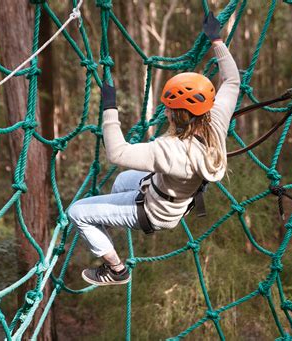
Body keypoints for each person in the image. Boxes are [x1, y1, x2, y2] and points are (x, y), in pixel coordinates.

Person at [68, 12, 240, 286]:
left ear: (175, 115)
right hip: (172, 195)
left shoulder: (172, 149)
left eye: (170, 109)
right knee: (123, 180)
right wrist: (216, 40)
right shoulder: (216, 120)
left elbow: (118, 153)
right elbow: (231, 81)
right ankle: (108, 227)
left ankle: (116, 270)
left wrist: (109, 107)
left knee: (76, 212)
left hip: (155, 213)